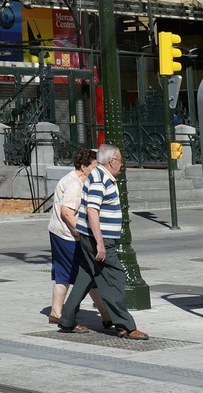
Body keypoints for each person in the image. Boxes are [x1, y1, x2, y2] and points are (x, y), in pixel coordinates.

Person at [57, 144, 149, 341]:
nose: (122, 166)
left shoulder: (99, 175)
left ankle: (66, 320)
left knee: (85, 278)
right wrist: (99, 242)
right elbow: (92, 210)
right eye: (121, 161)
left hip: (90, 237)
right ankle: (125, 325)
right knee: (115, 278)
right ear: (112, 161)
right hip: (99, 239)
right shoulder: (100, 178)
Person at [47, 148, 112, 329]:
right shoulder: (76, 184)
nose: (97, 170)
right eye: (94, 166)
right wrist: (80, 233)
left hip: (58, 232)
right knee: (86, 274)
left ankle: (56, 312)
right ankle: (61, 314)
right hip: (69, 237)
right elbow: (67, 212)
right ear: (83, 166)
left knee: (64, 274)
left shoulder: (70, 178)